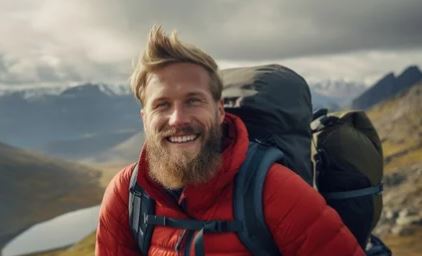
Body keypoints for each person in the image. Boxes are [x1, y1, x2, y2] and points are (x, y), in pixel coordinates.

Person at [95, 25, 364, 256]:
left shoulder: (273, 189)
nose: (177, 119)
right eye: (162, 105)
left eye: (193, 101)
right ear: (144, 118)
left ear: (219, 110)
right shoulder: (129, 193)